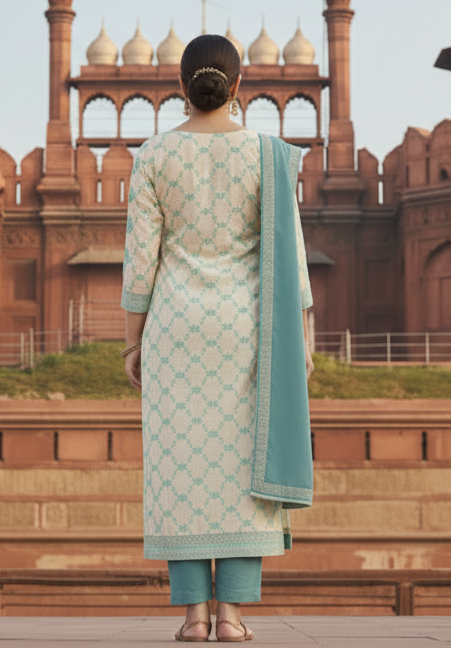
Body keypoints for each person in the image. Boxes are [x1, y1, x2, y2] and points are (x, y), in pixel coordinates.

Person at [122, 33, 314, 643]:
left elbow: (139, 264)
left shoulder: (153, 155)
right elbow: (294, 262)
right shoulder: (268, 154)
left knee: (181, 466)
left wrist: (132, 343)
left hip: (174, 328)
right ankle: (231, 616)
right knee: (240, 467)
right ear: (239, 87)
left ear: (181, 88)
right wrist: (302, 339)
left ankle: (192, 616)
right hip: (246, 329)